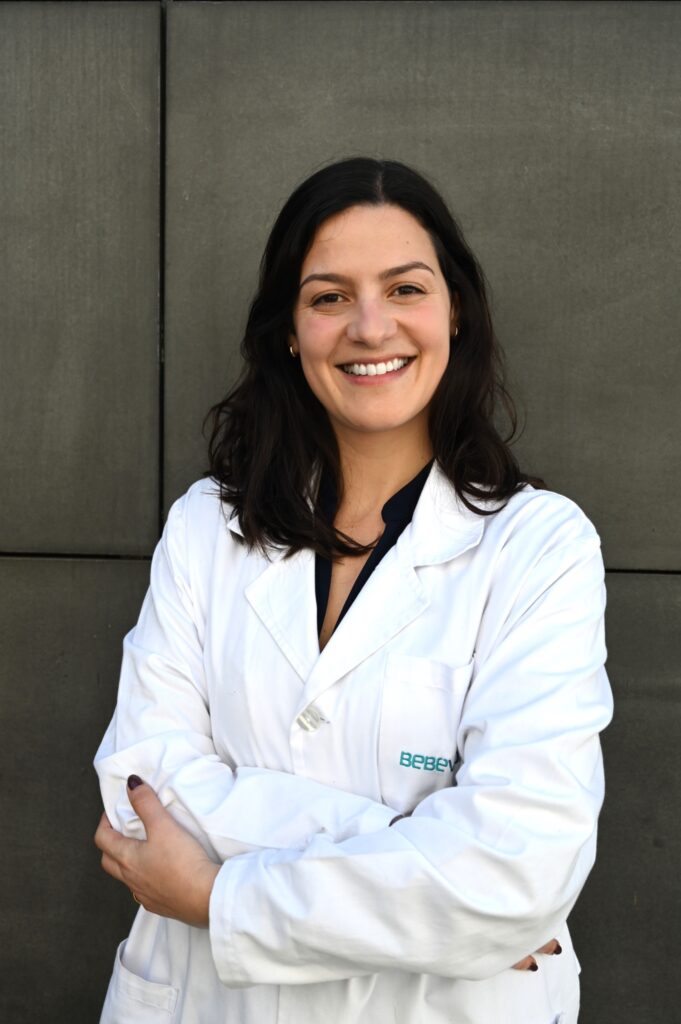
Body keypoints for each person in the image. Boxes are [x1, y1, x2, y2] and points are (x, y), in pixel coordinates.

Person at [94, 157, 613, 1024]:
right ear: (289, 332)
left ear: (454, 312)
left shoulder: (539, 547)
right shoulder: (205, 527)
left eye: (405, 289)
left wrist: (219, 895)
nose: (371, 328)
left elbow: (516, 866)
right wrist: (428, 864)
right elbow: (142, 790)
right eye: (329, 297)